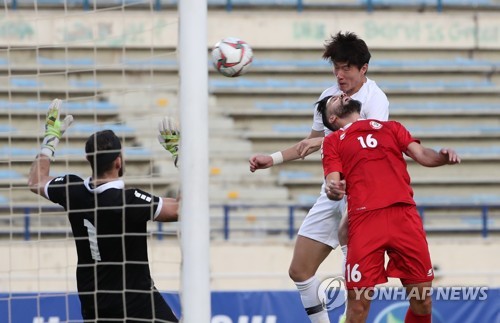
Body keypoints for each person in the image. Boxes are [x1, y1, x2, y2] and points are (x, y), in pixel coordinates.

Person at [249, 31, 389, 322]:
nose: (339, 74)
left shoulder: (376, 100)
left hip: (363, 196)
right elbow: (310, 141)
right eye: (336, 67)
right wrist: (272, 159)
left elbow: (368, 145)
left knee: (356, 289)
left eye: (346, 68)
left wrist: (324, 142)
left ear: (363, 69)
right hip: (332, 190)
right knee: (299, 270)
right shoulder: (328, 97)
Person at [28, 99, 181, 322]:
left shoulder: (72, 190)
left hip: (94, 303)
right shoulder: (129, 201)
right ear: (119, 161)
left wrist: (50, 139)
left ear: (88, 159)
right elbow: (179, 209)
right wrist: (180, 154)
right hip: (137, 304)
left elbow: (36, 180)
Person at [318, 94, 460, 323]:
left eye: (341, 94)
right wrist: (332, 189)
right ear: (332, 118)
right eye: (333, 99)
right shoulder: (333, 141)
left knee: (422, 301)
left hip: (403, 216)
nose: (342, 95)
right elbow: (333, 181)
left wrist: (442, 157)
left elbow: (422, 154)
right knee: (357, 307)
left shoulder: (391, 128)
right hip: (365, 221)